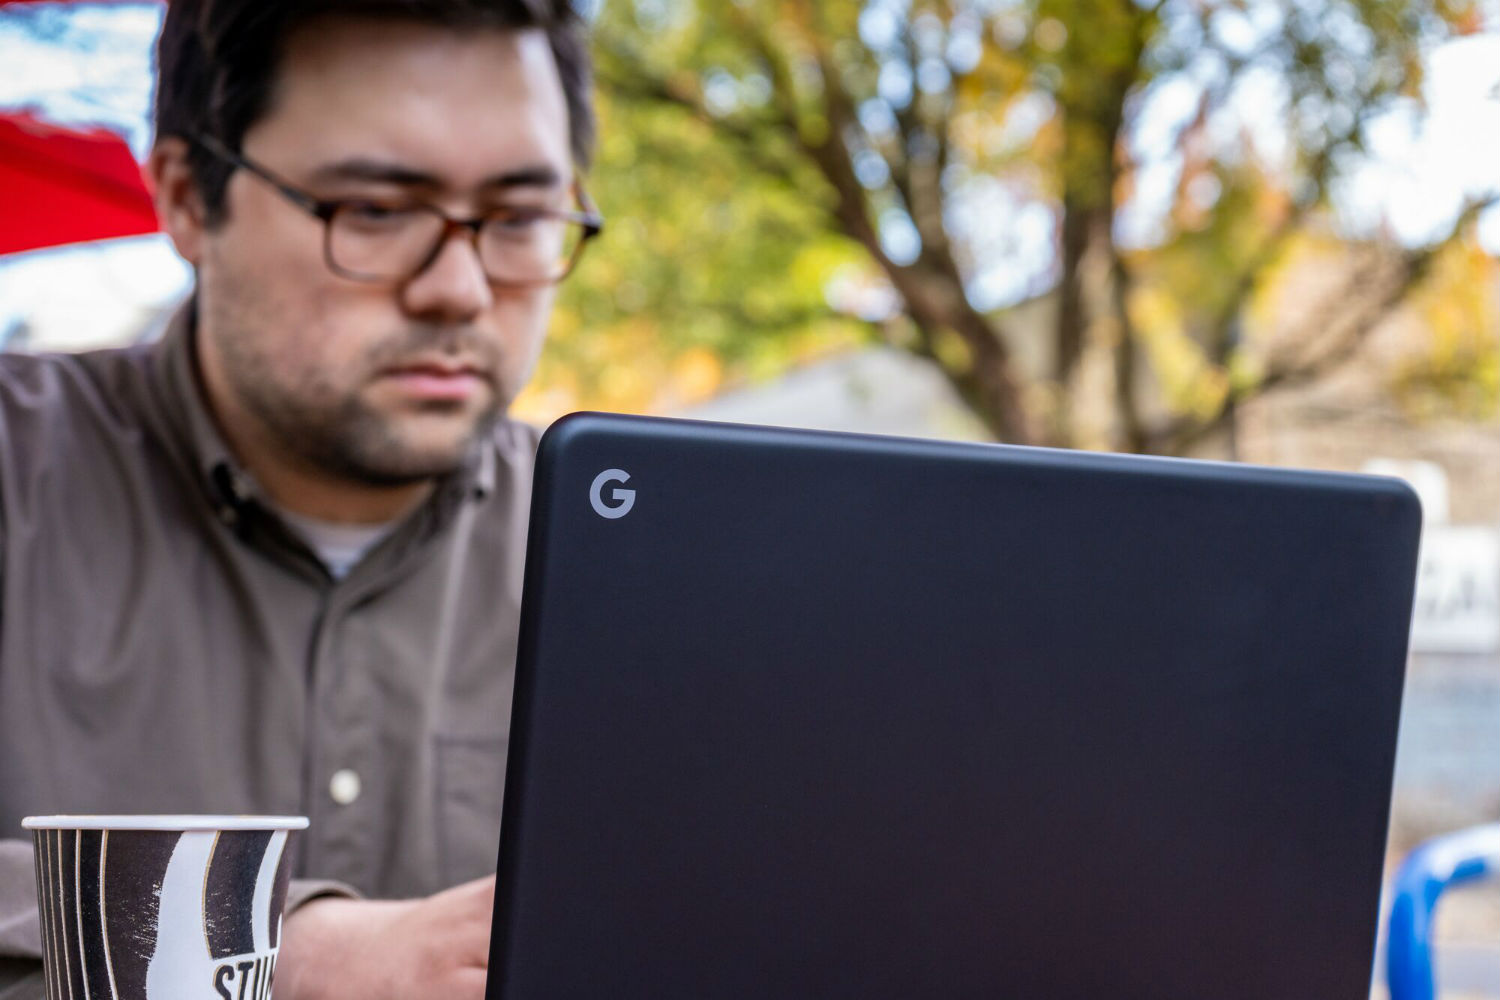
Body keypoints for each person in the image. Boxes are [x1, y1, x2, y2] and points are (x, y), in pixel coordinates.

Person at [0, 0, 599, 996]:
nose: (457, 287)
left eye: (521, 218)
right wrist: (279, 953)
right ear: (190, 199)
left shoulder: (636, 567)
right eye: (374, 209)